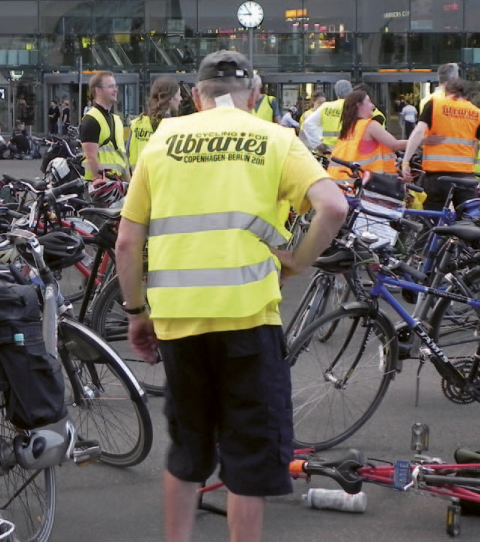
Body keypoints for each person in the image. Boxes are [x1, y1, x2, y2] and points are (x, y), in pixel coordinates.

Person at [115, 50, 348, 542]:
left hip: (179, 324)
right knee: (247, 458)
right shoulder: (274, 138)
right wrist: (298, 261)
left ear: (197, 97)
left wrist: (137, 313)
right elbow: (333, 207)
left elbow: (127, 242)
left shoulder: (162, 140)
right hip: (247, 322)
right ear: (256, 94)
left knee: (187, 451)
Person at [402, 78, 480, 211]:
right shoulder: (475, 112)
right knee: (466, 220)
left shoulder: (434, 105)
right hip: (465, 177)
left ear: (446, 92)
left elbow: (418, 132)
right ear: (466, 95)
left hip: (437, 176)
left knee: (432, 220)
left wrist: (406, 162)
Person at [327, 89, 406, 181]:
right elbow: (395, 145)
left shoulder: (350, 127)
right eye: (368, 101)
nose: (373, 105)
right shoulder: (370, 125)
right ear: (359, 105)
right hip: (364, 184)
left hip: (342, 183)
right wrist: (421, 141)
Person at [80, 71, 129, 181]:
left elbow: (122, 157)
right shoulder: (91, 119)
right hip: (98, 187)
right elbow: (91, 157)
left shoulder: (117, 120)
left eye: (115, 86)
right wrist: (101, 186)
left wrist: (129, 187)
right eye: (111, 86)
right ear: (98, 90)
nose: (115, 90)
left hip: (116, 185)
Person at [127, 76, 181, 172]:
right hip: (161, 180)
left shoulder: (137, 124)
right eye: (179, 95)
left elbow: (127, 155)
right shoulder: (173, 126)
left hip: (138, 180)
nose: (181, 99)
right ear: (170, 98)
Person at [299, 79, 353, 150]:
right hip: (349, 147)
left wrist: (317, 145)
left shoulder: (326, 107)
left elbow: (308, 124)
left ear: (336, 92)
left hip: (329, 148)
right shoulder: (355, 106)